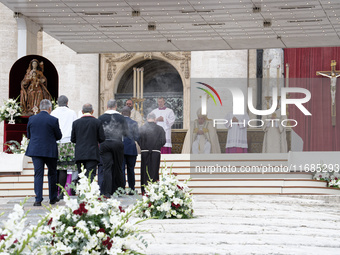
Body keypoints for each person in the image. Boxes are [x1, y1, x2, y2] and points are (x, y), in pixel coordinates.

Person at [25, 99, 62, 206]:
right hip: (50, 150)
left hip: (36, 150)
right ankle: (52, 198)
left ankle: (38, 199)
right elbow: (59, 136)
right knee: (52, 173)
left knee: (38, 174)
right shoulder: (53, 120)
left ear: (40, 108)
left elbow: (29, 135)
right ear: (50, 108)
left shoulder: (32, 119)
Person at [98, 99, 128, 197]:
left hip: (105, 144)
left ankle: (107, 192)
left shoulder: (101, 118)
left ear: (107, 106)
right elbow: (126, 133)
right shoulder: (121, 118)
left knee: (107, 168)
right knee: (118, 167)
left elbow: (98, 133)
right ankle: (118, 191)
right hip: (117, 143)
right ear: (116, 106)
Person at [51, 95, 77, 199]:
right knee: (65, 169)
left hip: (56, 143)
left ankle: (57, 192)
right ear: (67, 102)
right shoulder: (72, 113)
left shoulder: (53, 112)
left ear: (57, 102)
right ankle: (63, 192)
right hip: (69, 142)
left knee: (57, 169)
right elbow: (75, 126)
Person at [71, 103, 105, 182]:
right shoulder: (97, 122)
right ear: (92, 111)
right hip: (92, 153)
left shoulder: (76, 123)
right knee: (91, 175)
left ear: (82, 111)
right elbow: (102, 138)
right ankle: (89, 193)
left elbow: (73, 139)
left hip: (80, 154)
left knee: (82, 175)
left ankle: (82, 193)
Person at [138, 113, 166, 194]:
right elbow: (163, 141)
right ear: (155, 119)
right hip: (155, 152)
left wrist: (143, 146)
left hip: (144, 152)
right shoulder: (160, 129)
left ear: (147, 118)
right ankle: (154, 190)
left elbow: (138, 139)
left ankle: (144, 190)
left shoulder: (141, 128)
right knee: (154, 170)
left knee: (144, 171)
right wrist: (157, 146)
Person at [121, 106, 140, 192]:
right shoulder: (134, 123)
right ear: (130, 113)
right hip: (131, 149)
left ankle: (122, 188)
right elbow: (136, 137)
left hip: (121, 149)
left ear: (122, 113)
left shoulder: (119, 123)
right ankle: (132, 188)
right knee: (131, 169)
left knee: (121, 169)